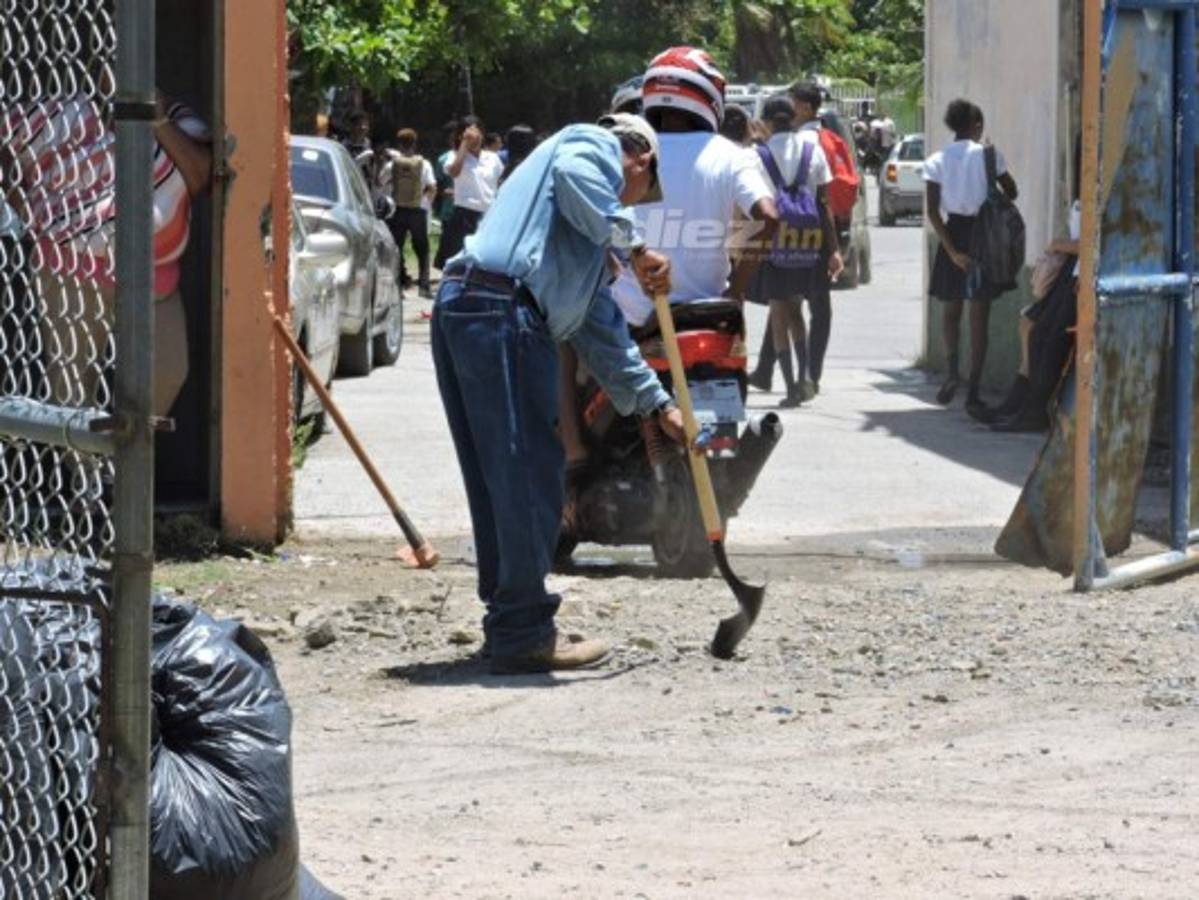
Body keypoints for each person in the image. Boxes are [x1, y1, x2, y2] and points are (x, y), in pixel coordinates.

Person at [433, 113, 686, 675]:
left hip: (471, 306)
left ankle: (512, 621)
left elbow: (606, 339)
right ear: (639, 160)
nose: (634, 204)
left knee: (504, 476)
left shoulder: (582, 253)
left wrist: (659, 406)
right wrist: (637, 246)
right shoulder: (587, 144)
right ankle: (521, 630)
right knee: (528, 472)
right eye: (642, 194)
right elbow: (581, 178)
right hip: (498, 306)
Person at [747, 89, 843, 408]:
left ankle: (789, 386)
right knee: (797, 310)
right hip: (807, 240)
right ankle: (805, 378)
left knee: (778, 313)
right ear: (792, 119)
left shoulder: (757, 155)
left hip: (774, 238)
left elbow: (750, 205)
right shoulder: (811, 149)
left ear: (768, 122)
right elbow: (824, 202)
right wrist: (834, 250)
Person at [924, 99, 1019, 419]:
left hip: (953, 233)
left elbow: (932, 211)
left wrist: (951, 251)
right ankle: (974, 392)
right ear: (977, 125)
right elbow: (1012, 191)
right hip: (986, 236)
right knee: (980, 317)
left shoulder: (937, 160)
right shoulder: (989, 156)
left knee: (951, 311)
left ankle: (952, 372)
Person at [378, 128, 436, 298]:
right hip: (418, 210)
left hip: (398, 211)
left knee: (397, 248)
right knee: (423, 249)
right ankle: (424, 286)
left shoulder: (392, 164)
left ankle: (398, 287)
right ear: (415, 143)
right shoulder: (424, 164)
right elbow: (432, 186)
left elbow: (380, 182)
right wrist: (426, 204)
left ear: (399, 144)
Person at [440, 115, 503, 263]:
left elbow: (497, 182)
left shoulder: (492, 158)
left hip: (489, 214)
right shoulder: (455, 156)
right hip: (465, 214)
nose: (474, 138)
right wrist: (464, 145)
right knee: (460, 260)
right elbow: (454, 172)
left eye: (477, 133)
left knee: (487, 260)